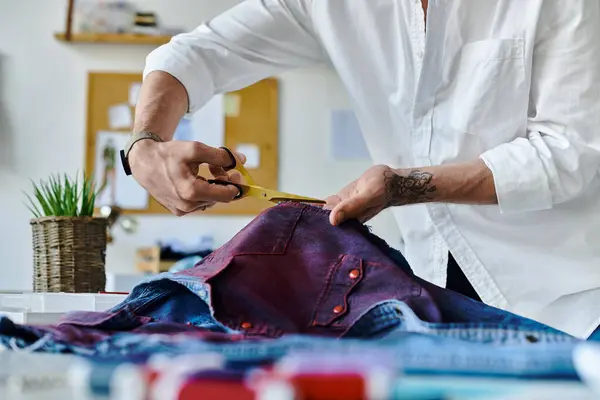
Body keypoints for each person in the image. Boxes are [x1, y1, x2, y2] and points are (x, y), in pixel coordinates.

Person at [122, 0, 600, 339]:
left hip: (571, 301)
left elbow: (568, 152)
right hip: (435, 305)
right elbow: (197, 52)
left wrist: (402, 187)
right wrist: (146, 144)